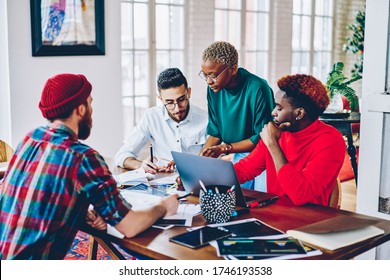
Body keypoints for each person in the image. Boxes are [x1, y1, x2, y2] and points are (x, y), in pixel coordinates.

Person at [0, 74, 179, 259]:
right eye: (90, 103)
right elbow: (130, 226)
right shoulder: (83, 157)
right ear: (80, 109)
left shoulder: (31, 138)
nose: (92, 111)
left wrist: (78, 211)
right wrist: (163, 206)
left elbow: (33, 193)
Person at [234, 74, 346, 206]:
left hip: (310, 220)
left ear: (299, 113)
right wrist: (209, 176)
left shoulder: (331, 141)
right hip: (275, 213)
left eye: (279, 108)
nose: (273, 112)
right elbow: (244, 170)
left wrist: (273, 145)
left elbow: (301, 195)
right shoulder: (278, 132)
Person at [198, 41, 275, 190]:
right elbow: (215, 133)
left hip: (262, 156)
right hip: (236, 154)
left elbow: (260, 139)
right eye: (205, 75)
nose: (208, 81)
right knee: (237, 202)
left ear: (233, 69)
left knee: (260, 200)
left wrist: (223, 149)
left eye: (213, 76)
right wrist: (199, 161)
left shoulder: (258, 88)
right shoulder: (214, 90)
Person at [115, 68, 208, 174]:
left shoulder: (206, 120)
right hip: (160, 180)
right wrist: (141, 165)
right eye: (169, 102)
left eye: (181, 99)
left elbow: (215, 162)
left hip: (195, 181)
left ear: (189, 93)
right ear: (160, 99)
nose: (177, 108)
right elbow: (122, 155)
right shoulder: (152, 117)